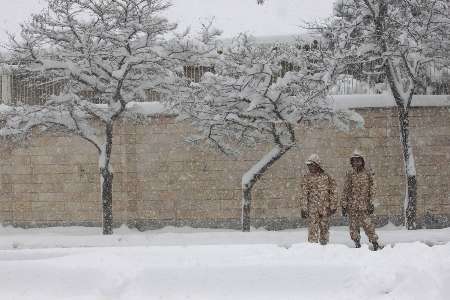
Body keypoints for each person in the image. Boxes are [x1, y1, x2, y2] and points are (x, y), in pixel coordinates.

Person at [341, 151, 380, 250]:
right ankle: (357, 244)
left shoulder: (368, 173)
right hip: (352, 206)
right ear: (352, 162)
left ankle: (375, 243)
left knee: (368, 225)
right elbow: (346, 189)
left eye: (358, 160)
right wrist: (343, 205)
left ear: (362, 161)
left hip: (364, 205)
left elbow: (373, 188)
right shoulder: (350, 174)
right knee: (353, 227)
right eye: (354, 161)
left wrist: (372, 203)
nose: (356, 163)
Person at [301, 154, 337, 245]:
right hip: (312, 208)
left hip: (325, 208)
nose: (310, 167)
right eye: (308, 166)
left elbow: (333, 191)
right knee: (313, 229)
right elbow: (304, 193)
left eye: (311, 165)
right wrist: (304, 208)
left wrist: (333, 205)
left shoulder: (327, 177)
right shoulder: (307, 178)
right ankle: (313, 249)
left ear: (317, 165)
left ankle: (324, 248)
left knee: (324, 228)